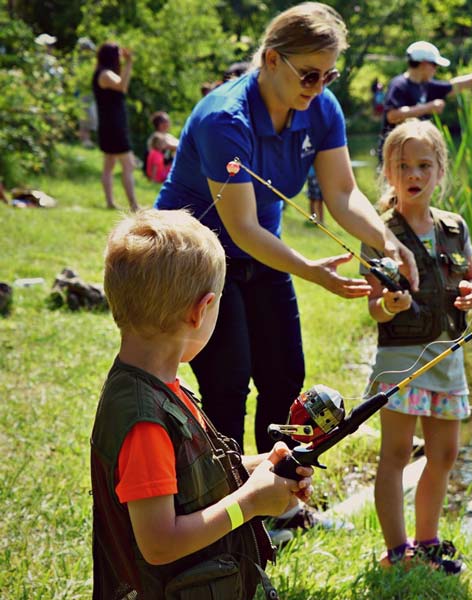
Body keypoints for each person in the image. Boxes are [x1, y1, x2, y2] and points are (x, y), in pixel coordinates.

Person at [154, 2, 418, 454]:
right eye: (310, 74)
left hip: (261, 252)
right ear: (271, 59)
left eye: (329, 76)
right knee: (228, 383)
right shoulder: (226, 119)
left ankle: (277, 498)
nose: (318, 88)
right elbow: (241, 228)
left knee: (284, 373)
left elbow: (341, 193)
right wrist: (312, 271)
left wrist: (387, 239)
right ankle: (228, 511)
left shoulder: (320, 107)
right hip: (199, 260)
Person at [92, 208, 314, 599]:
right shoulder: (145, 423)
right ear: (201, 310)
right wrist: (248, 503)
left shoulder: (162, 387)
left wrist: (259, 467)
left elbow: (187, 481)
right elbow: (159, 543)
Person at [361, 120, 472, 573]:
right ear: (389, 173)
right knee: (395, 453)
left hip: (448, 356)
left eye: (424, 166)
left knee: (445, 454)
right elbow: (374, 307)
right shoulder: (379, 233)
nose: (414, 174)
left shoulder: (454, 227)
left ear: (439, 171)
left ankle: (428, 541)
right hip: (401, 360)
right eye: (403, 166)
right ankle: (397, 552)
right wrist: (390, 305)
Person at [377, 40, 472, 161]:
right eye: (434, 65)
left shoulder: (426, 84)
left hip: (413, 154)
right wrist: (428, 107)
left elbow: (454, 85)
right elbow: (392, 115)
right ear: (424, 64)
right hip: (394, 154)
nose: (436, 69)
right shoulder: (399, 85)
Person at [93, 42, 139, 211]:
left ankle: (110, 202)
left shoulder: (104, 73)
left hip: (110, 124)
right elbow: (122, 86)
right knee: (128, 165)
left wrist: (127, 64)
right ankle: (134, 205)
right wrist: (129, 63)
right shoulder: (104, 74)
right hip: (113, 126)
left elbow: (121, 86)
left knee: (109, 165)